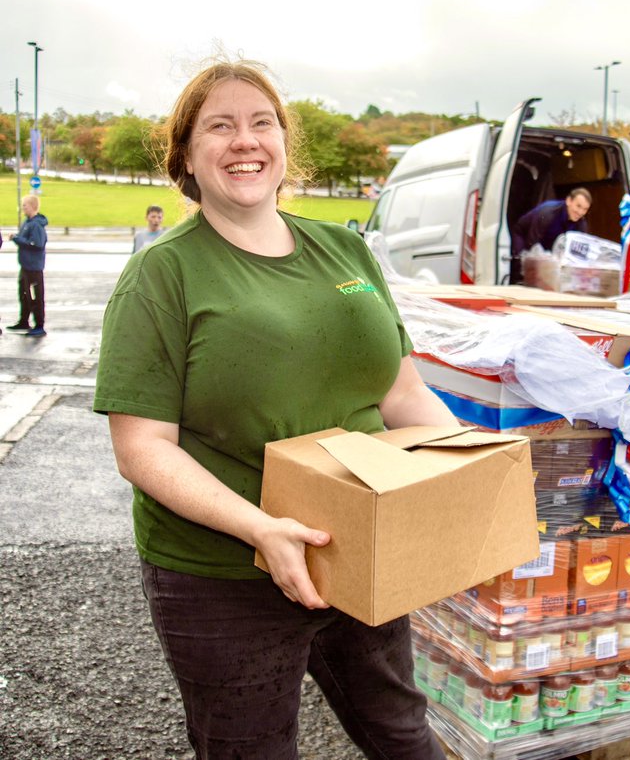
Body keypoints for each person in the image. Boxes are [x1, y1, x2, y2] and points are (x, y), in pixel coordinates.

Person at [92, 59, 456, 760]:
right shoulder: (161, 273)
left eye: (262, 123)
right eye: (219, 127)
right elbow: (142, 447)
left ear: (286, 146)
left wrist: (467, 480)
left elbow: (404, 395)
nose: (244, 140)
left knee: (402, 734)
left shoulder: (346, 249)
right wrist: (261, 529)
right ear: (186, 158)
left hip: (360, 547)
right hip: (224, 573)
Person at [508, 187, 591, 283]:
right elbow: (531, 242)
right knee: (523, 265)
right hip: (525, 235)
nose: (580, 212)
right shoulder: (548, 212)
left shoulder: (581, 223)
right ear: (568, 201)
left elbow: (578, 254)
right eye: (578, 206)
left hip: (548, 243)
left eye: (585, 209)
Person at [9, 194, 49, 337]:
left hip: (34, 268)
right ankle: (24, 321)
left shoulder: (36, 225)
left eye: (25, 205)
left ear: (32, 206)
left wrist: (17, 239)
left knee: (36, 297)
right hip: (25, 266)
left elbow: (37, 244)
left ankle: (39, 325)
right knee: (24, 295)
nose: (22, 208)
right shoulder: (27, 223)